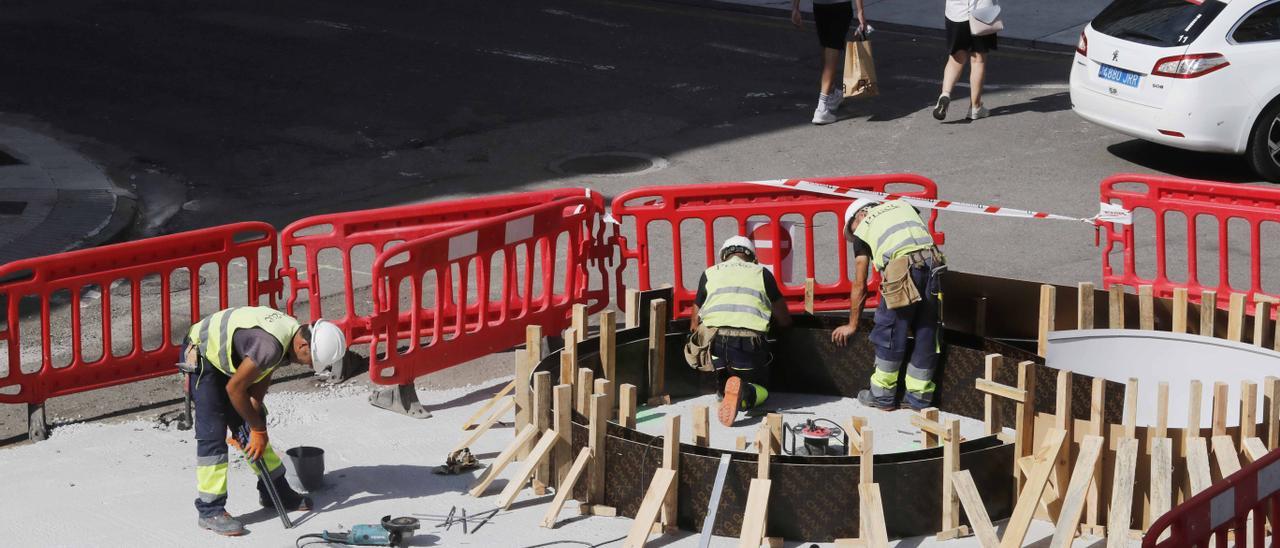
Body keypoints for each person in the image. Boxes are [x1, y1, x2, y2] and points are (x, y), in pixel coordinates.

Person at [184, 306, 346, 536]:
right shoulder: (271, 345)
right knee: (213, 434)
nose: (309, 366)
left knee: (252, 426)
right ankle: (210, 511)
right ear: (303, 345)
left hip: (231, 360)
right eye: (310, 360)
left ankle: (275, 491)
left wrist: (256, 413)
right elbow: (235, 388)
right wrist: (258, 428)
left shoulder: (289, 335)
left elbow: (264, 373)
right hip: (203, 354)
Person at [831, 199, 945, 411]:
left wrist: (852, 324)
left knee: (890, 330)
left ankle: (882, 396)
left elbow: (860, 283)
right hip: (933, 265)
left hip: (902, 269)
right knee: (927, 332)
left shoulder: (864, 226)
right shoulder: (903, 206)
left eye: (852, 230)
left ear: (861, 215)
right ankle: (919, 399)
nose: (855, 235)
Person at [690, 236, 793, 426]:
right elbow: (784, 318)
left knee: (724, 381)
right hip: (748, 346)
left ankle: (723, 390)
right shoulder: (762, 273)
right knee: (762, 389)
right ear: (752, 257)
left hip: (716, 344)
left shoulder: (710, 272)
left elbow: (694, 320)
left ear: (724, 256)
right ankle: (746, 394)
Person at [792, 0, 867, 125]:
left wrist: (795, 7)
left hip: (820, 6)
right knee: (833, 48)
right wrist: (860, 11)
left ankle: (831, 92)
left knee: (826, 45)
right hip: (839, 5)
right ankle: (822, 106)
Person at [932, 0, 997, 121]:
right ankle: (975, 107)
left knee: (956, 59)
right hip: (983, 12)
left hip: (956, 13)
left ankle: (945, 94)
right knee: (978, 60)